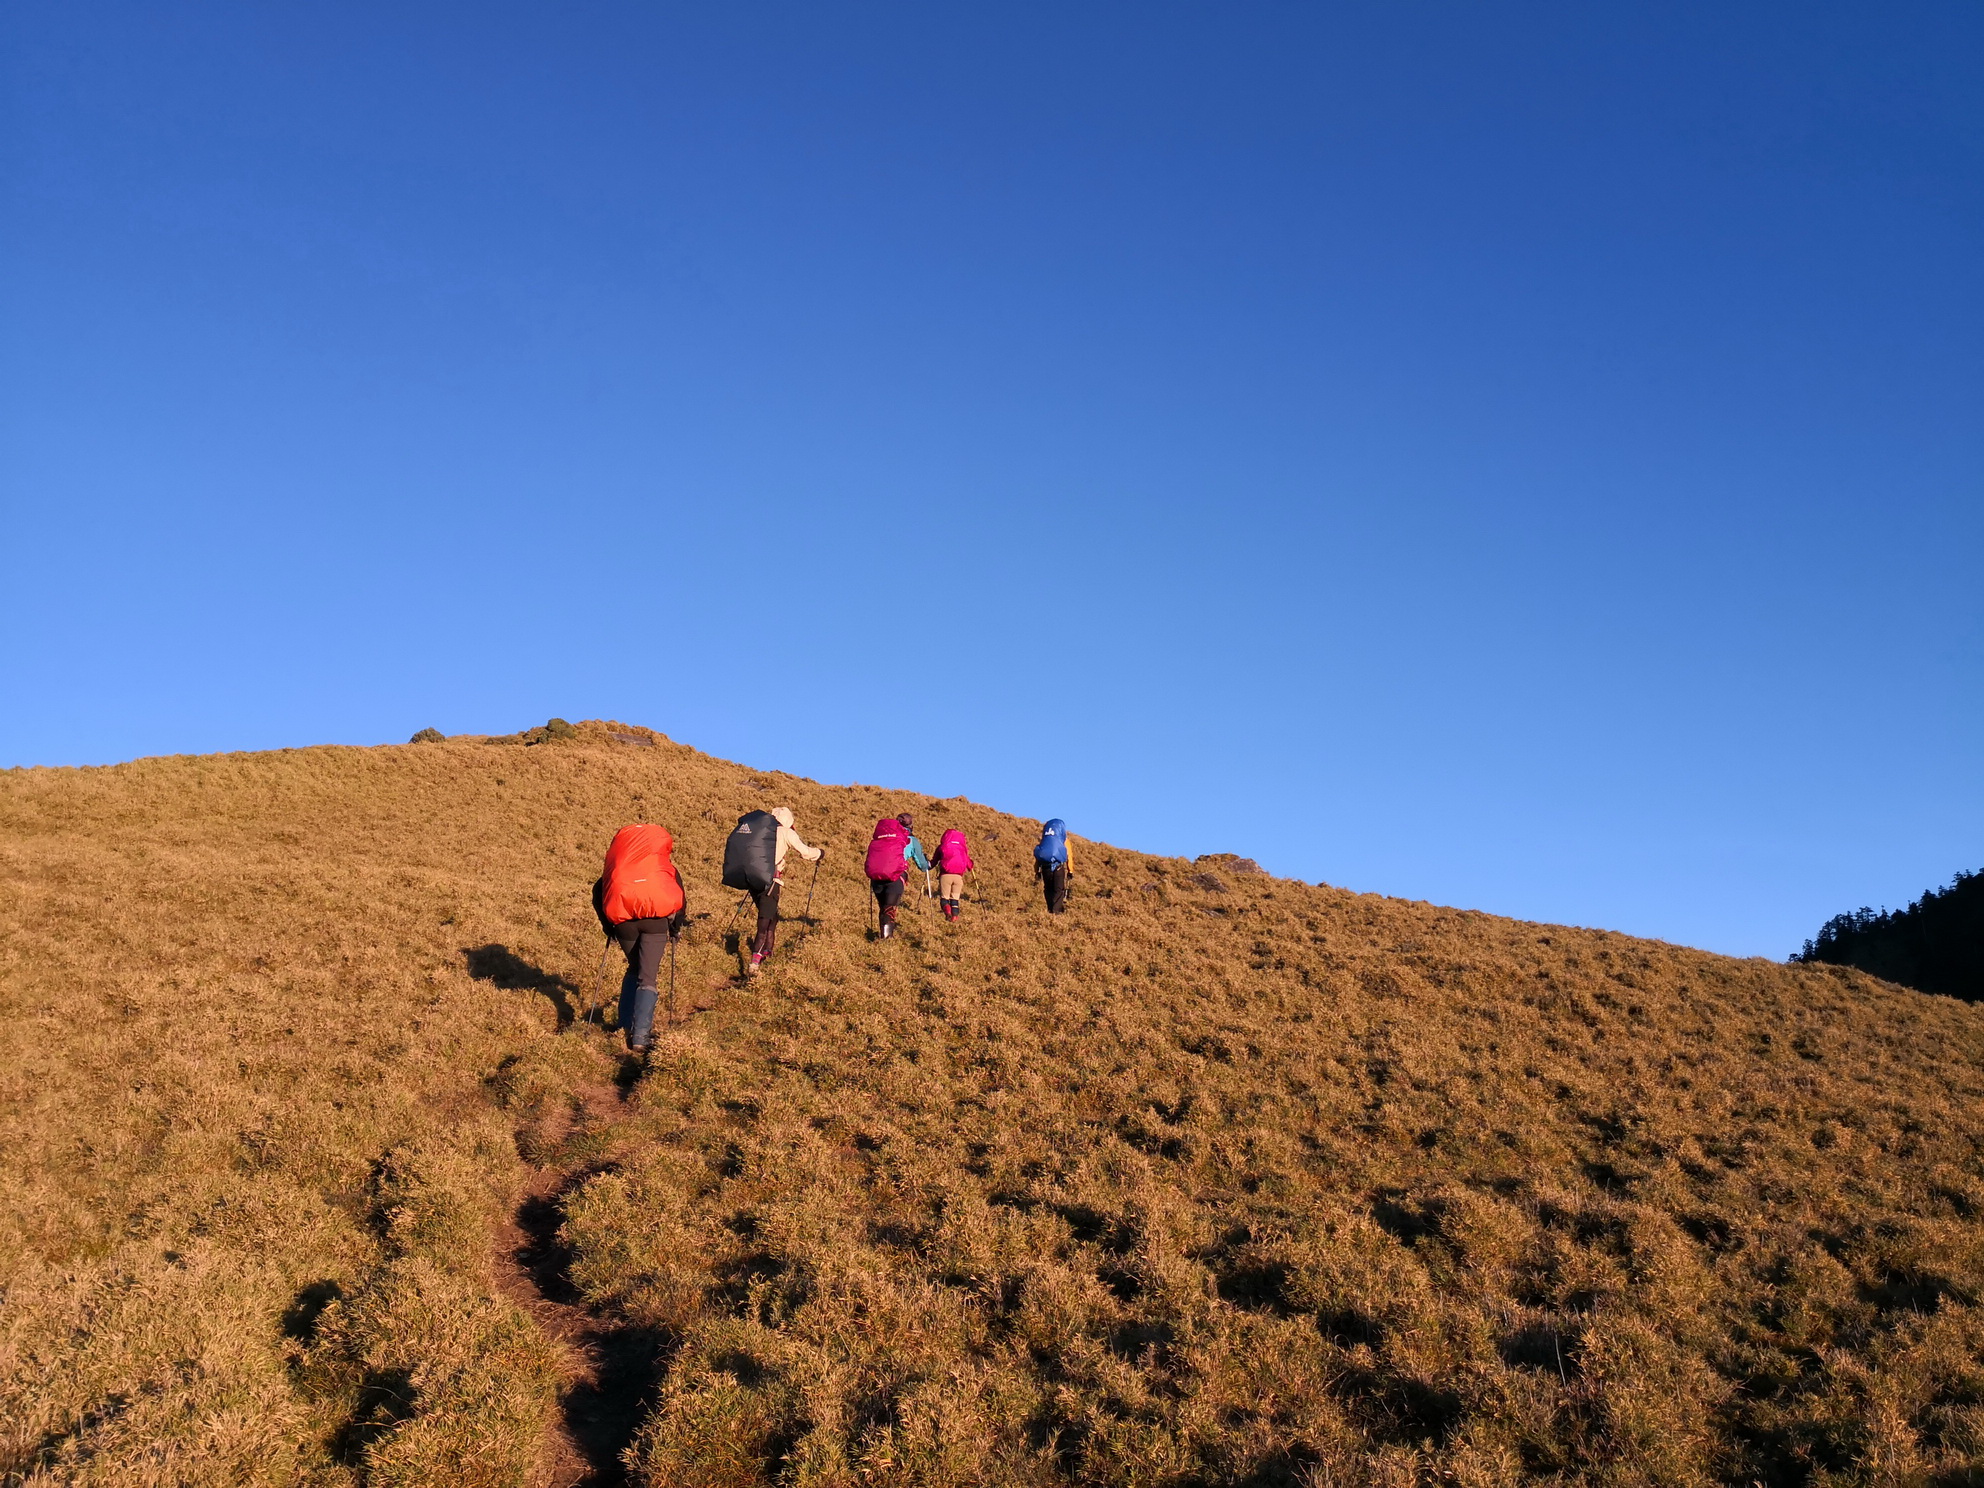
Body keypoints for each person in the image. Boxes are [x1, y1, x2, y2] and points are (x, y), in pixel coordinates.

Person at [592, 823, 688, 1052]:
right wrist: (675, 928)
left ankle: (623, 1025)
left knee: (633, 969)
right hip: (655, 922)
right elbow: (680, 897)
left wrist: (609, 927)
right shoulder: (663, 867)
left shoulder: (617, 866)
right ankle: (640, 1037)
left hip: (623, 923)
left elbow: (598, 894)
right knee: (647, 977)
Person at [746, 806, 823, 977]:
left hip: (753, 878)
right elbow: (805, 852)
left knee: (771, 915)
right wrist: (819, 853)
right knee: (764, 921)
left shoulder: (761, 828)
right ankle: (755, 962)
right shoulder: (786, 832)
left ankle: (767, 950)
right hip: (771, 881)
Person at [863, 815, 915, 938]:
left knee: (883, 907)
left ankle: (883, 934)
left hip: (876, 879)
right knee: (889, 908)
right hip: (895, 877)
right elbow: (908, 842)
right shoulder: (902, 838)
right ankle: (887, 939)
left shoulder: (876, 841)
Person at [1034, 818, 1072, 914]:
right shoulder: (1064, 840)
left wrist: (1037, 871)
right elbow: (1069, 856)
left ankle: (1050, 910)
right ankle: (1055, 913)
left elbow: (1038, 858)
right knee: (1058, 890)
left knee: (1048, 889)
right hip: (1058, 868)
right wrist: (1070, 871)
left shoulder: (1044, 840)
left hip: (1045, 868)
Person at [934, 827, 974, 920]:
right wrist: (971, 865)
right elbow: (969, 865)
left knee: (944, 899)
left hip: (945, 876)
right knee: (955, 899)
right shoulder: (962, 848)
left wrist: (927, 865)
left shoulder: (942, 846)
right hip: (958, 877)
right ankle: (955, 917)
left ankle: (947, 913)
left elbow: (934, 861)